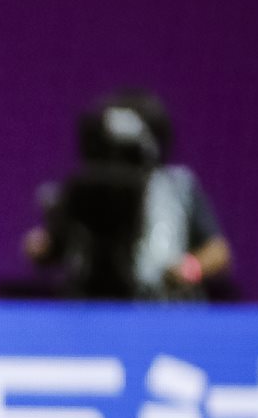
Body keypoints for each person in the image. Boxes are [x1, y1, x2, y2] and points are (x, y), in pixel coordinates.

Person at [23, 89, 234, 301]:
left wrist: (189, 269)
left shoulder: (177, 186)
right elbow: (48, 249)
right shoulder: (81, 188)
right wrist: (43, 245)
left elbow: (218, 252)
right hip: (88, 306)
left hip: (162, 306)